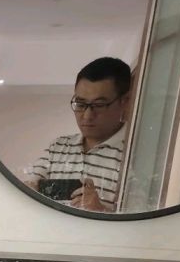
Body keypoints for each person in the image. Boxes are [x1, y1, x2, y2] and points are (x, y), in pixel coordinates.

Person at [29, 57, 132, 212]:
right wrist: (29, 192)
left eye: (99, 105)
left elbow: (144, 220)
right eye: (81, 104)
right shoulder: (58, 147)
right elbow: (27, 191)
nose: (87, 115)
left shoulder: (135, 155)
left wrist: (100, 211)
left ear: (125, 102)